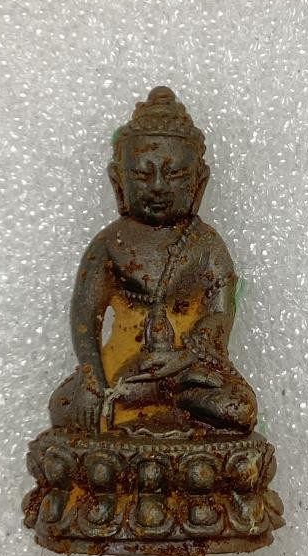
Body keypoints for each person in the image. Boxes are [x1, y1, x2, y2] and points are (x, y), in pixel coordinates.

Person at [49, 87, 257, 435]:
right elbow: (85, 316)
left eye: (174, 175)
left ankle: (166, 410)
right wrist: (91, 376)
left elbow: (220, 316)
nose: (158, 187)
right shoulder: (110, 243)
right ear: (118, 182)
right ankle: (136, 411)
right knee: (64, 406)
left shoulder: (206, 245)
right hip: (121, 373)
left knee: (238, 408)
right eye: (143, 175)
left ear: (198, 183)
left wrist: (184, 357)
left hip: (186, 371)